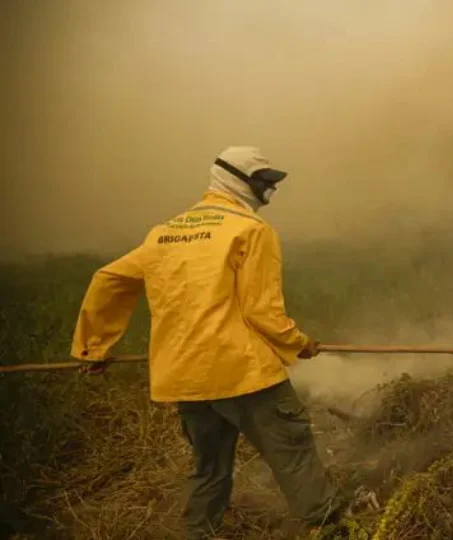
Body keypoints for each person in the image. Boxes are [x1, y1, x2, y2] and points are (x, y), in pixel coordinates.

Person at [70, 146, 346, 539]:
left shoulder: (164, 233)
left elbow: (108, 279)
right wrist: (299, 343)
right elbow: (262, 313)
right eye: (264, 181)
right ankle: (330, 527)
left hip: (187, 381)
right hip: (245, 375)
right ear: (237, 180)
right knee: (293, 451)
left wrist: (92, 348)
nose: (270, 190)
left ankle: (201, 533)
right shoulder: (251, 230)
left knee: (209, 469)